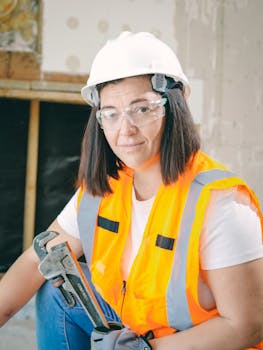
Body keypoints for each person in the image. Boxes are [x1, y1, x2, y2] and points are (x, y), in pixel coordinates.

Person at [0, 31, 262, 350]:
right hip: (138, 327)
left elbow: (247, 324)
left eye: (141, 109)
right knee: (58, 292)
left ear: (173, 106)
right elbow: (37, 260)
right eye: (111, 113)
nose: (125, 130)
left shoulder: (219, 203)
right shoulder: (107, 187)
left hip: (192, 343)